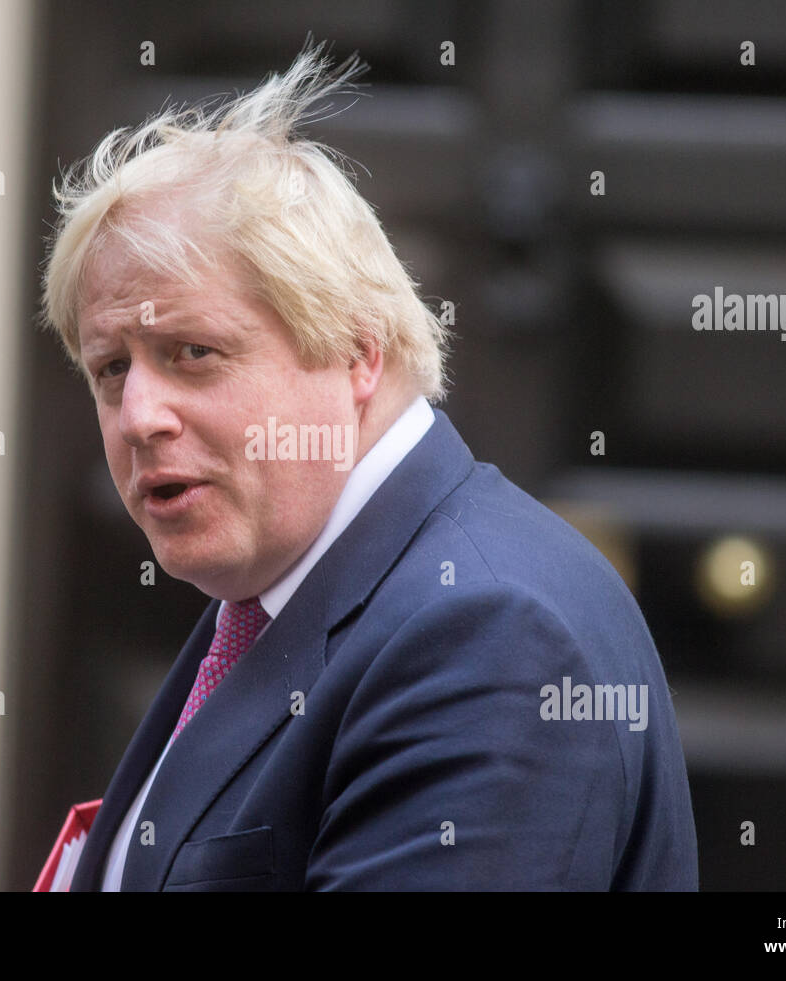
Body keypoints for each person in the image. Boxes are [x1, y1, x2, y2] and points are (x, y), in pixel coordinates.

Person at [38, 44, 699, 890]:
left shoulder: (489, 638)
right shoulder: (284, 577)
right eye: (111, 369)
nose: (139, 416)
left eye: (193, 352)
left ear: (356, 352)